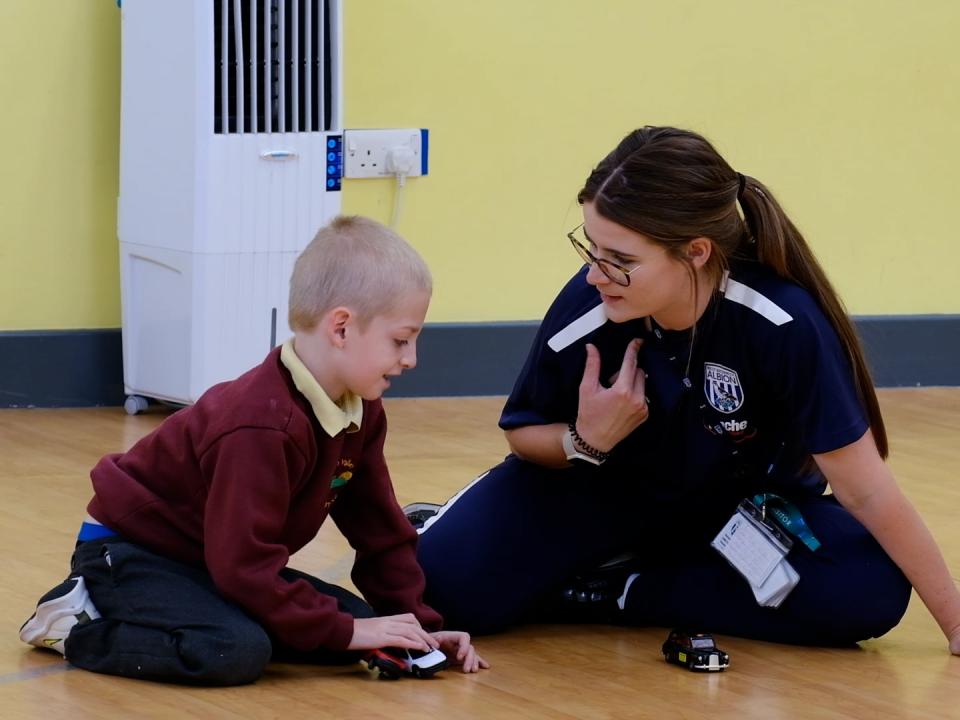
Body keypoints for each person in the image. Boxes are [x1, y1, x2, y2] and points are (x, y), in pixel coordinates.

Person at [415, 126, 960, 654]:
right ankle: (488, 540)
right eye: (591, 248)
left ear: (696, 252)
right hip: (596, 495)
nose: (594, 275)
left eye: (621, 260)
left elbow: (865, 490)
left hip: (729, 520)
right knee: (440, 588)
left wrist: (955, 622)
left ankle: (617, 592)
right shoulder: (587, 312)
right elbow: (523, 435)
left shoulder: (779, 323)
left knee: (866, 590)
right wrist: (585, 440)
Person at [19, 215, 488, 685]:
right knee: (233, 650)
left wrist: (421, 630)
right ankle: (78, 624)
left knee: (363, 622)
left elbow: (380, 531)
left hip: (216, 560)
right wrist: (343, 631)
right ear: (342, 328)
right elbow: (243, 567)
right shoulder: (260, 424)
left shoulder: (361, 410)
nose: (411, 359)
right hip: (131, 554)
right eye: (401, 341)